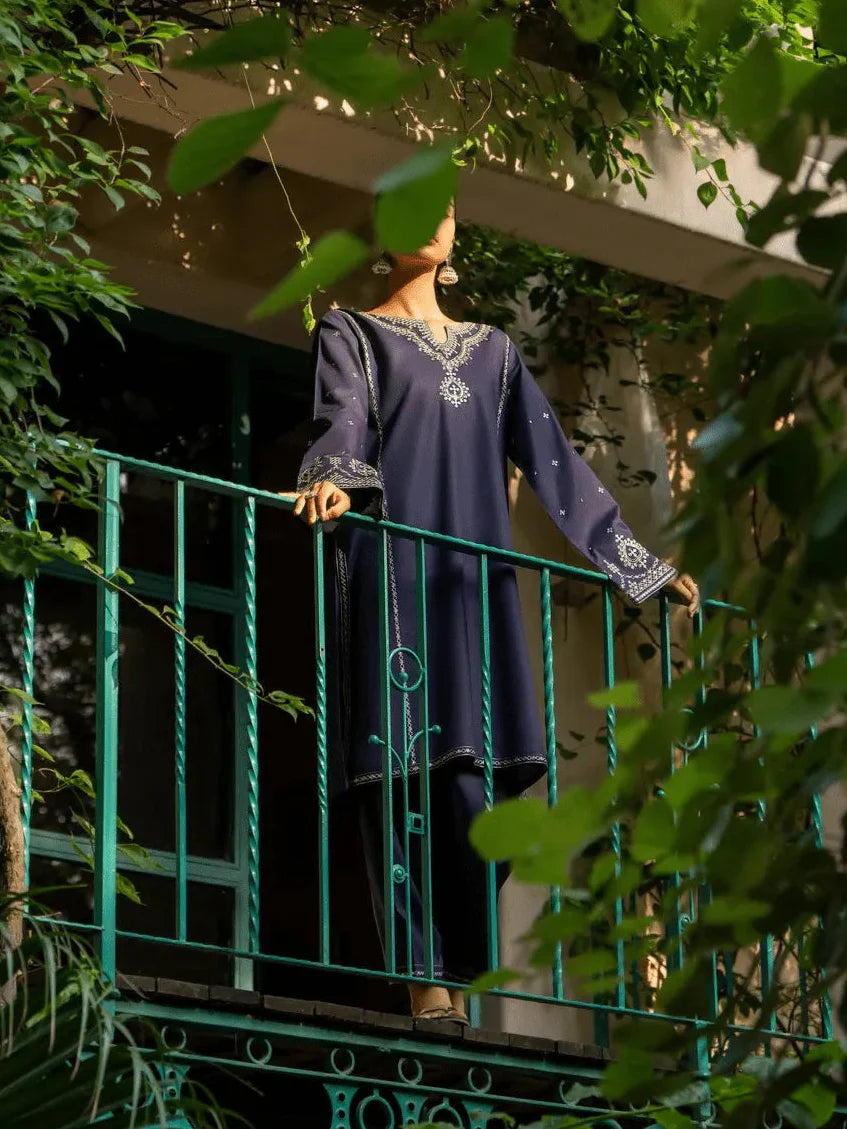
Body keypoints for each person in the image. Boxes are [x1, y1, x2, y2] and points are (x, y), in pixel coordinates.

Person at [291, 202, 700, 1024]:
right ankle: (423, 979)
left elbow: (553, 463)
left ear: (452, 239)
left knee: (476, 788)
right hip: (394, 580)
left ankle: (461, 960)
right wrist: (332, 474)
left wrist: (637, 565)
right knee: (405, 775)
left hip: (472, 588)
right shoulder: (351, 333)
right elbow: (340, 420)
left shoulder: (496, 354)